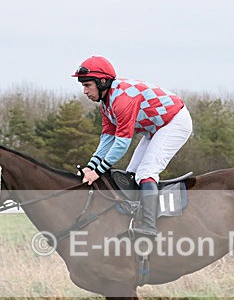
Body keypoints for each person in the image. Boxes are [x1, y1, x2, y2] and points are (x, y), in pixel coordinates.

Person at [73, 56, 192, 239]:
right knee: (131, 174)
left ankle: (149, 227)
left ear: (102, 82)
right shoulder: (106, 104)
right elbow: (107, 140)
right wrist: (90, 166)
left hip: (174, 122)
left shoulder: (121, 100)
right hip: (155, 128)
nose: (84, 91)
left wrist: (98, 172)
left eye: (87, 85)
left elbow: (121, 144)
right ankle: (134, 221)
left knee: (145, 173)